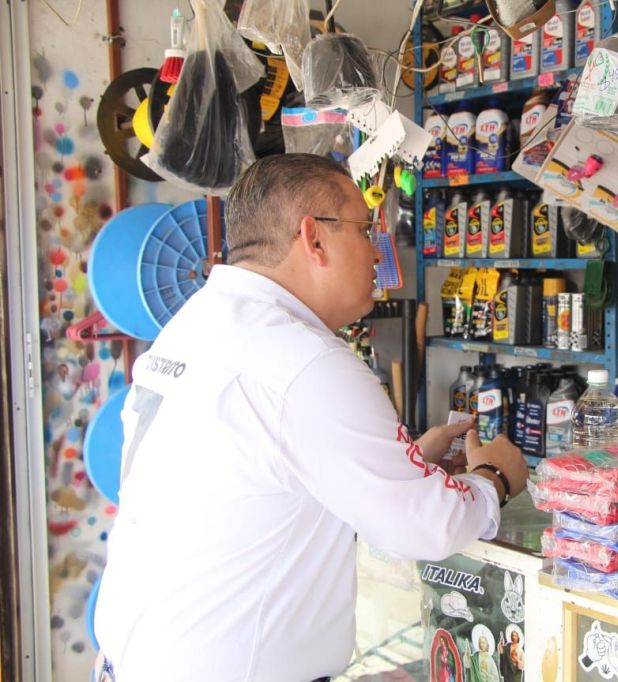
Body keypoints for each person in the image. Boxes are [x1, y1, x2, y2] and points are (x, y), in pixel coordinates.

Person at [93, 154, 528, 682]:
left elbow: (255, 474)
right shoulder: (304, 361)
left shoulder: (198, 324)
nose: (376, 251)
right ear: (313, 238)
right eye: (365, 230)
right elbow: (426, 526)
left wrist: (401, 461)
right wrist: (494, 477)